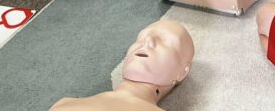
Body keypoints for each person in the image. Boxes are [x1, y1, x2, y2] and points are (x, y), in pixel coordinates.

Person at [50, 19, 194, 111]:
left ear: (182, 72)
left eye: (165, 41)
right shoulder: (64, 103)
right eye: (141, 37)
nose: (147, 41)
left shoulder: (64, 106)